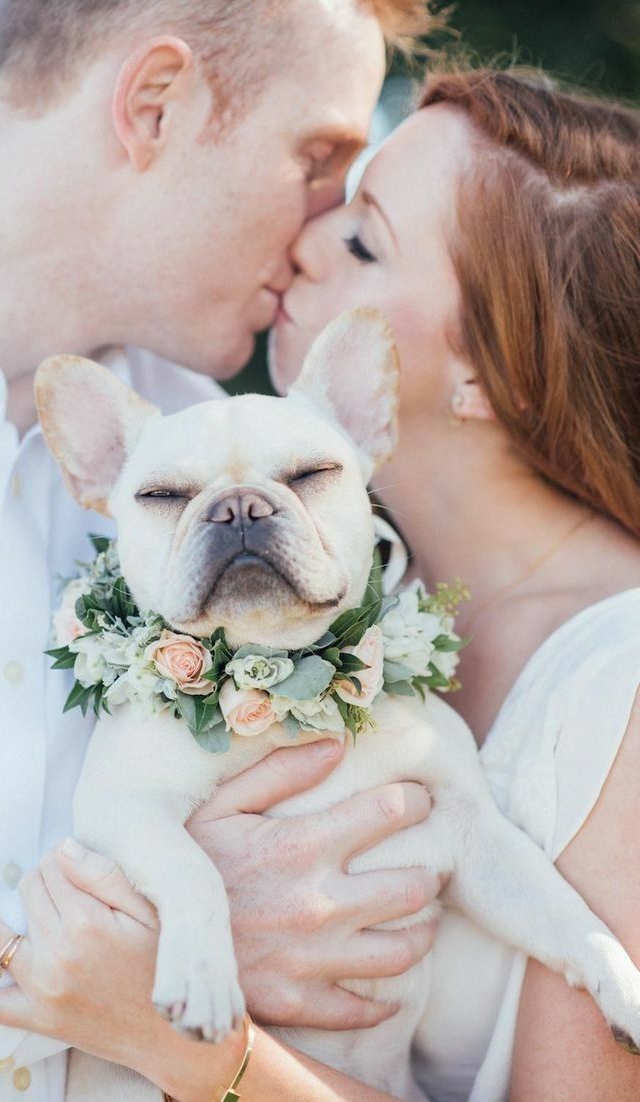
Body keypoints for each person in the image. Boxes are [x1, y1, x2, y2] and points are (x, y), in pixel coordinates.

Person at [0, 1, 446, 1099]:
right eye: (316, 159)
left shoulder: (239, 475)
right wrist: (159, 931)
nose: (316, 233)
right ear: (153, 106)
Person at [271, 66, 640, 1099]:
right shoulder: (342, 607)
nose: (300, 241)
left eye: (361, 241)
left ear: (492, 373)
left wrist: (199, 1059)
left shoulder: (625, 683)